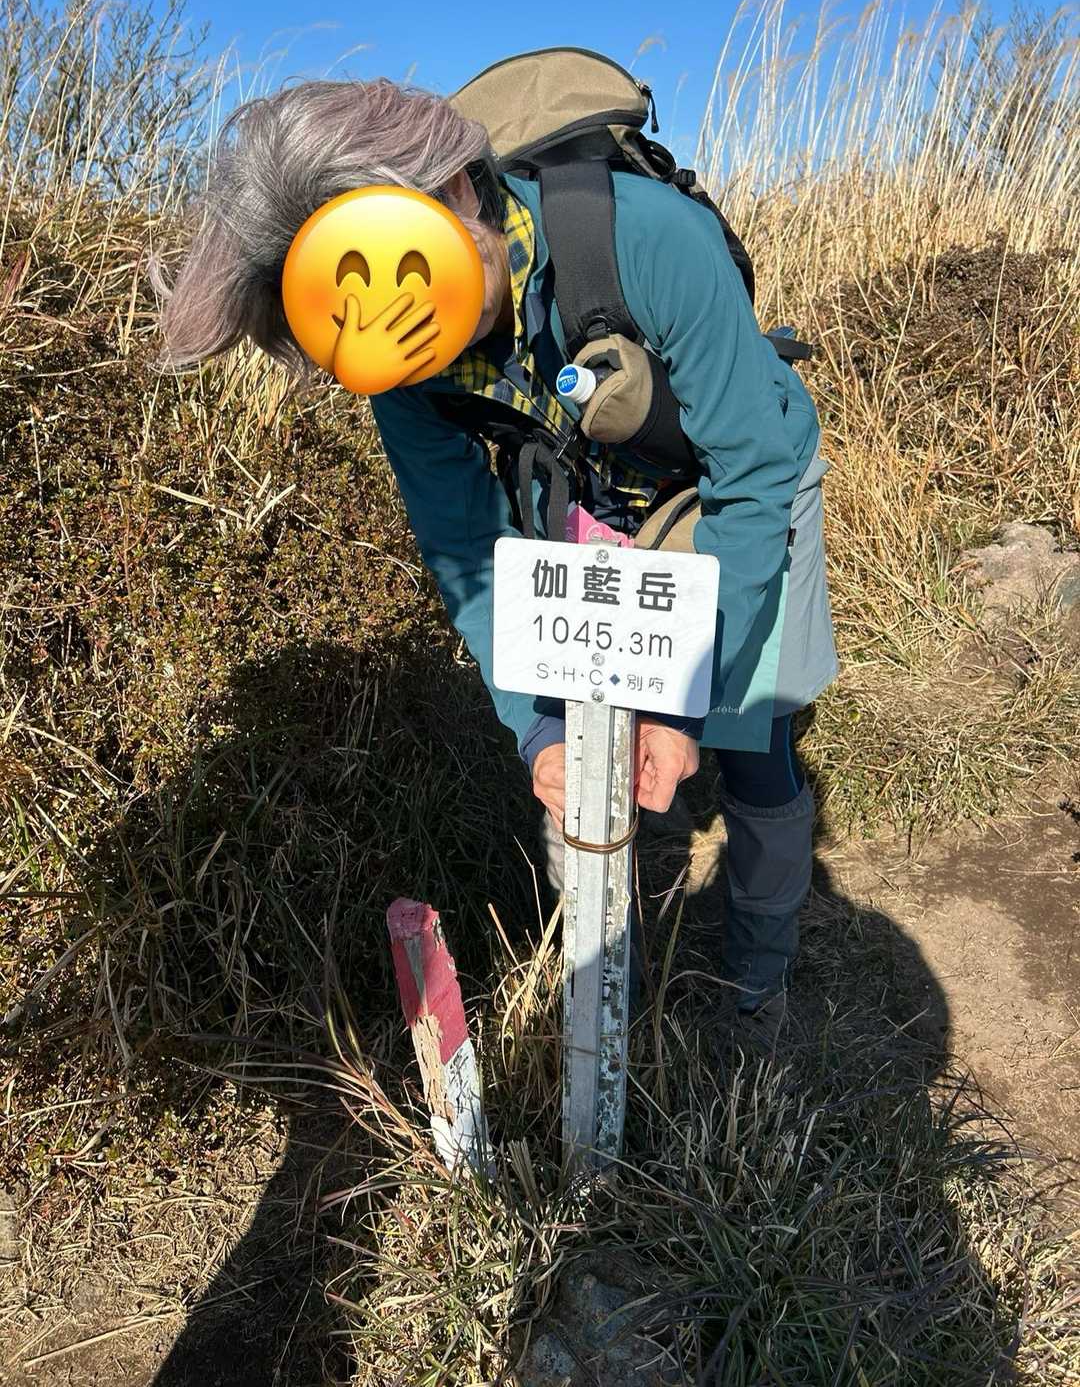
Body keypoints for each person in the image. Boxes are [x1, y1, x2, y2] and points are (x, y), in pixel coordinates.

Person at [151, 78, 838, 1046]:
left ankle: (758, 986)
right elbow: (469, 552)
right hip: (593, 501)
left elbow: (754, 471)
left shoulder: (645, 241)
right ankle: (609, 999)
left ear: (460, 188)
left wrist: (686, 702)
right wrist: (537, 729)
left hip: (740, 481)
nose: (410, 346)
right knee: (577, 750)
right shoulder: (397, 366)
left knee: (750, 738)